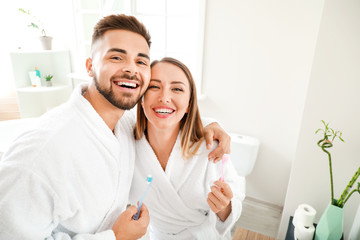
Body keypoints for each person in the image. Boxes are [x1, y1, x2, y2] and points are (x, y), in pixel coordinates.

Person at [0, 15, 230, 240]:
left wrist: (210, 125)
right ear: (90, 66)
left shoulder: (122, 126)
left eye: (141, 61)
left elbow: (167, 119)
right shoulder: (39, 154)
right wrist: (116, 236)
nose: (131, 70)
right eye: (117, 58)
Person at [130, 57, 245, 239]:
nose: (164, 97)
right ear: (141, 98)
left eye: (177, 89)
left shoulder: (210, 146)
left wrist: (225, 208)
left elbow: (235, 196)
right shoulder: (127, 145)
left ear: (189, 105)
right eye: (154, 86)